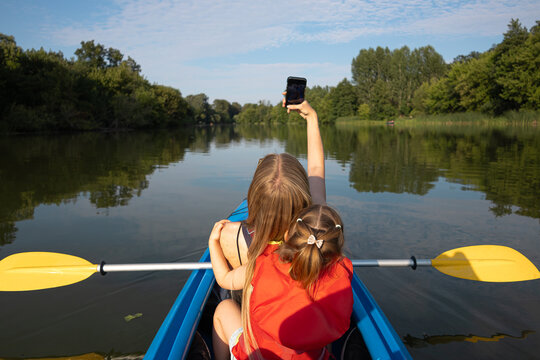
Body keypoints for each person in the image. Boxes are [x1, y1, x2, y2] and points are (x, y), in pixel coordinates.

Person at [209, 204, 353, 360]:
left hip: (255, 357)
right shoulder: (341, 275)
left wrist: (213, 242)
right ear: (337, 250)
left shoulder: (264, 264)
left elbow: (225, 279)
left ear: (287, 236)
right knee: (323, 328)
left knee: (224, 308)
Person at [217, 97, 326, 269]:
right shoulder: (317, 230)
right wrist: (312, 117)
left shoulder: (231, 234)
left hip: (252, 294)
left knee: (227, 298)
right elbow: (316, 168)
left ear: (254, 196)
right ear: (304, 195)